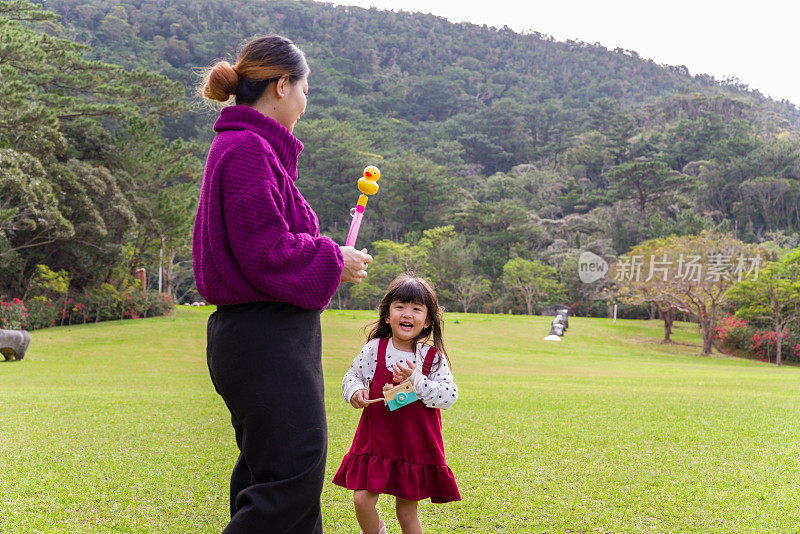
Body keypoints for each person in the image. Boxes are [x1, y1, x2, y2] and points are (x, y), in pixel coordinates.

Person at [193, 34, 373, 533]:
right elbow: (266, 253)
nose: (305, 103)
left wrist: (333, 258)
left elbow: (266, 244)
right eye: (305, 90)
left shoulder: (246, 148)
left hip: (262, 338)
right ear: (282, 84)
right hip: (264, 338)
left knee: (270, 479)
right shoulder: (247, 150)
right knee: (286, 486)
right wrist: (332, 256)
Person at [333, 274, 461, 534]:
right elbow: (352, 376)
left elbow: (449, 395)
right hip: (376, 441)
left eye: (417, 308)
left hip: (412, 444)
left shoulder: (431, 357)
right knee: (361, 499)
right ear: (387, 315)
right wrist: (355, 390)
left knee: (406, 511)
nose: (408, 314)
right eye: (400, 306)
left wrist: (416, 380)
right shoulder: (375, 349)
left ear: (427, 321)